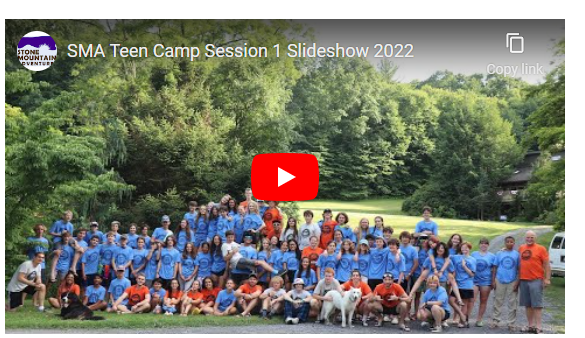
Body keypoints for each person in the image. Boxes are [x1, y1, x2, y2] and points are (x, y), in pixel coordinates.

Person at [518, 230, 551, 334]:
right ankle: (530, 325)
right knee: (527, 304)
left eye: (532, 237)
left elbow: (547, 265)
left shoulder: (541, 249)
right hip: (524, 280)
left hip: (536, 280)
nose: (529, 239)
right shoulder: (521, 248)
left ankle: (538, 327)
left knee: (537, 304)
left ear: (535, 238)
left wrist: (547, 279)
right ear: (525, 238)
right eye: (528, 237)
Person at [222, 230, 286, 283]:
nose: (248, 239)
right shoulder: (238, 246)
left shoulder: (254, 250)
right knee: (233, 288)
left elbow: (254, 264)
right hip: (235, 271)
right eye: (246, 237)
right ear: (243, 238)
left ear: (252, 239)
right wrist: (226, 271)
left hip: (246, 273)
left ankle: (276, 271)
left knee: (243, 289)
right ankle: (276, 271)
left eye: (250, 238)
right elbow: (229, 259)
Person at [491, 236, 520, 331]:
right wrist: (493, 280)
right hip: (499, 280)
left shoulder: (517, 254)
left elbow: (519, 269)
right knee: (497, 301)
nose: (509, 243)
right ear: (505, 243)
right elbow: (495, 267)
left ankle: (511, 323)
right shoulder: (499, 253)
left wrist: (517, 282)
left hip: (512, 281)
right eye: (507, 242)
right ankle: (496, 321)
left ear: (514, 243)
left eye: (511, 242)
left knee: (512, 302)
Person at [449, 241, 476, 328]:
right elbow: (446, 256)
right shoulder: (456, 257)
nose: (464, 249)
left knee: (464, 304)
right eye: (462, 248)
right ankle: (463, 316)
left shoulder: (472, 259)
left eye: (466, 248)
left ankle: (461, 322)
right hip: (457, 284)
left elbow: (472, 274)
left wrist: (464, 266)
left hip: (467, 285)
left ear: (469, 248)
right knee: (451, 300)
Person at [470, 237, 496, 327]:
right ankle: (466, 318)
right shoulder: (473, 254)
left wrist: (493, 281)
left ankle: (479, 319)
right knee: (471, 299)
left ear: (488, 245)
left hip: (486, 281)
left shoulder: (492, 256)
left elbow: (493, 269)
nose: (483, 245)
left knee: (483, 300)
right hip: (474, 281)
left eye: (485, 243)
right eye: (482, 243)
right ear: (479, 244)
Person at [48, 210, 74, 282]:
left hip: (67, 239)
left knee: (77, 246)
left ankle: (73, 266)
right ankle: (52, 272)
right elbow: (50, 232)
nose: (68, 217)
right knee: (58, 252)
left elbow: (70, 235)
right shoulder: (57, 223)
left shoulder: (71, 225)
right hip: (58, 240)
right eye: (67, 215)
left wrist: (73, 242)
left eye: (70, 216)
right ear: (64, 216)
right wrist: (60, 234)